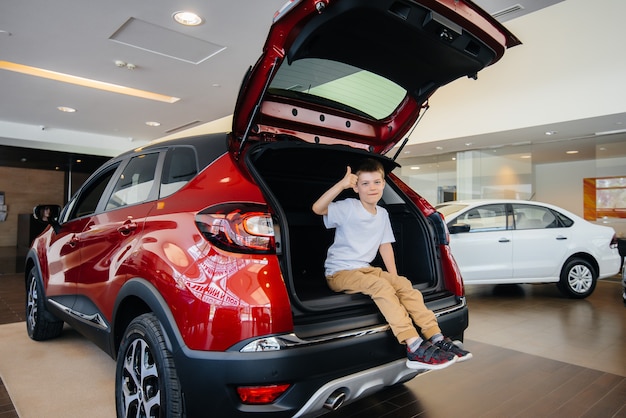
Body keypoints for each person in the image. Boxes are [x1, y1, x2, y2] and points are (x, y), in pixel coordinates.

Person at [312, 158, 472, 370]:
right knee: (382, 287)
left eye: (377, 182)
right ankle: (413, 345)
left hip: (366, 270)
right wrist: (341, 185)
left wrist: (395, 277)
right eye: (365, 183)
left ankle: (436, 336)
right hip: (340, 272)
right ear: (356, 187)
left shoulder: (383, 214)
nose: (372, 188)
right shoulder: (349, 206)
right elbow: (318, 208)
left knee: (404, 285)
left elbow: (385, 247)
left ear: (384, 184)